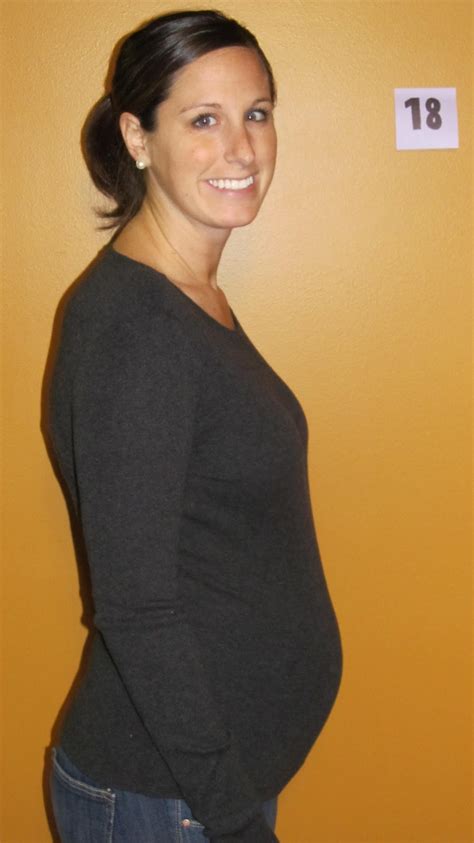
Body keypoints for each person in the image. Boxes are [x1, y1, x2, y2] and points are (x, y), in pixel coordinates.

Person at [47, 9, 343, 842]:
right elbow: (136, 607)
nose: (241, 149)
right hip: (170, 797)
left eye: (256, 113)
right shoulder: (135, 327)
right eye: (204, 120)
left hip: (196, 787)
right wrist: (232, 814)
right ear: (137, 137)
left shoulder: (188, 295)